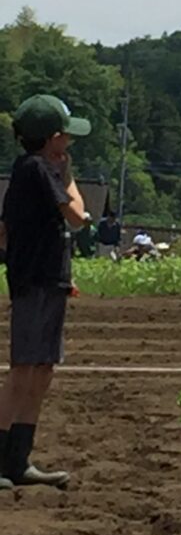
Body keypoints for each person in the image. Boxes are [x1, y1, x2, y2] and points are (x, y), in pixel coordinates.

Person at [0, 94, 91, 490]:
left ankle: (18, 460)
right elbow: (78, 216)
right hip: (36, 283)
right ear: (53, 139)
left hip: (46, 280)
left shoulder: (28, 170)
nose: (69, 143)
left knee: (41, 370)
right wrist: (68, 177)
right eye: (65, 136)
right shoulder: (39, 169)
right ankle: (6, 460)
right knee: (25, 370)